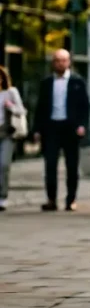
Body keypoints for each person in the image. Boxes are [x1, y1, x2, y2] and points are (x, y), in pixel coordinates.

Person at [34, 49, 90, 211]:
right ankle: (51, 199)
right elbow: (40, 107)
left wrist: (82, 125)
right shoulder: (46, 83)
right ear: (53, 63)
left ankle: (71, 199)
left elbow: (85, 106)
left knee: (72, 166)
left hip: (70, 128)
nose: (60, 63)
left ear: (69, 62)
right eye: (57, 60)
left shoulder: (77, 82)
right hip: (51, 127)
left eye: (64, 60)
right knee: (50, 165)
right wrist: (37, 129)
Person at [0, 66, 26, 212]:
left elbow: (22, 110)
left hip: (6, 134)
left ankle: (2, 197)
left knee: (4, 165)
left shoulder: (11, 92)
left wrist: (10, 106)